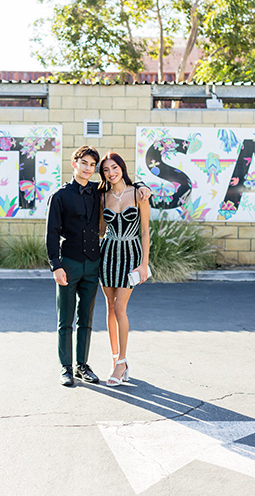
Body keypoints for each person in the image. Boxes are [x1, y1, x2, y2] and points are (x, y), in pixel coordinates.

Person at [45, 146, 149, 387]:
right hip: (69, 264)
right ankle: (66, 368)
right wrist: (55, 266)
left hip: (94, 263)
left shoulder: (96, 190)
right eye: (84, 163)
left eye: (92, 165)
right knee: (65, 320)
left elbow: (121, 181)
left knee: (86, 318)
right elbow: (51, 234)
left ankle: (82, 365)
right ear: (74, 164)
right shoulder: (59, 196)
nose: (88, 169)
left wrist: (142, 184)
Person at [97, 152, 150, 386]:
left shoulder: (138, 193)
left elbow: (146, 231)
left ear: (122, 167)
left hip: (131, 254)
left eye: (114, 167)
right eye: (106, 170)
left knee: (120, 307)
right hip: (107, 254)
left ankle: (123, 361)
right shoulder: (103, 196)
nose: (111, 173)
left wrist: (144, 264)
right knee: (109, 307)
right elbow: (100, 229)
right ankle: (115, 360)